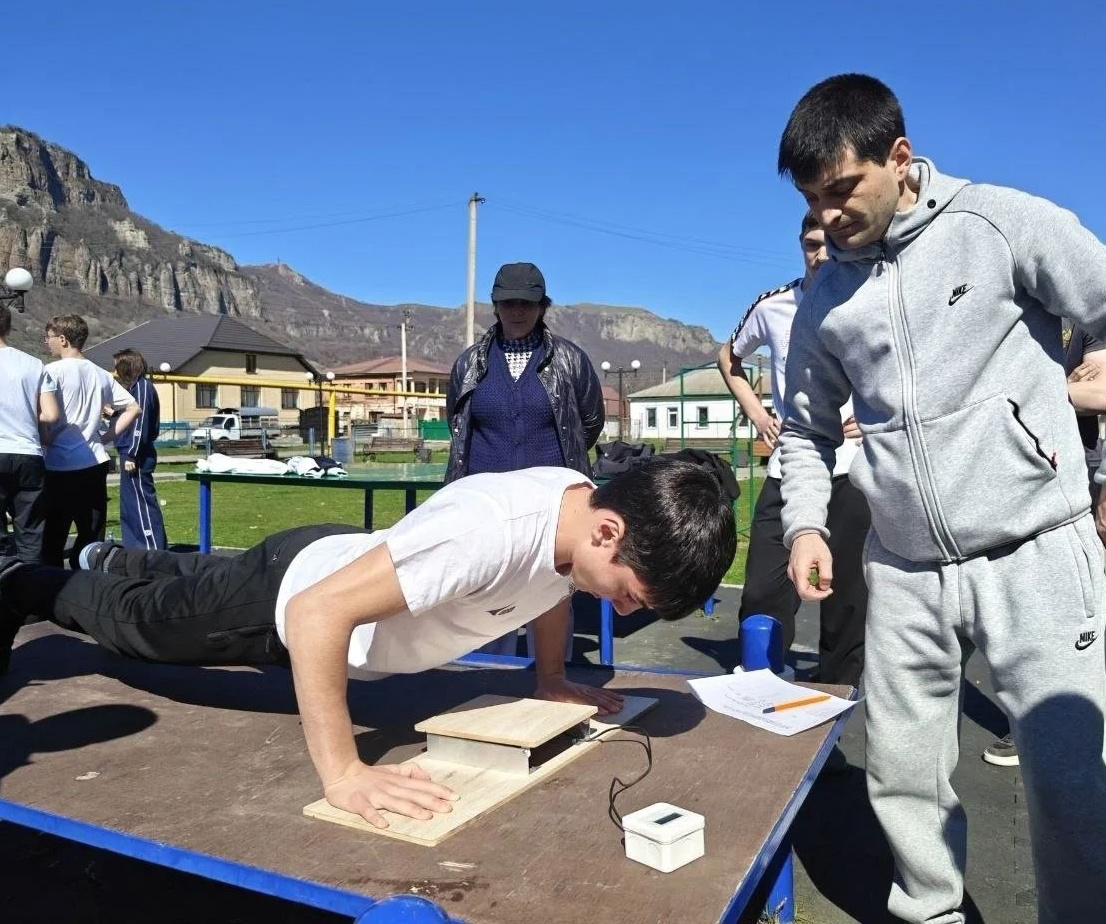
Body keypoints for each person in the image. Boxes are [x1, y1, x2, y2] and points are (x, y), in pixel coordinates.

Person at [776, 73, 1106, 924]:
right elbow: (804, 429)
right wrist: (805, 525)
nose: (828, 214)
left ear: (899, 156)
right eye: (812, 199)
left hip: (1036, 548)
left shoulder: (997, 222)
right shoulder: (824, 300)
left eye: (842, 189)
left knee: (1072, 784)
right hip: (904, 568)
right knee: (902, 777)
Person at [0, 459, 737, 828]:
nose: (621, 608)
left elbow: (554, 586)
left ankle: (117, 558)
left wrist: (549, 677)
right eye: (629, 594)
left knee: (190, 582)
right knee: (138, 627)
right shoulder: (487, 533)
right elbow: (318, 614)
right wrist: (345, 773)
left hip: (334, 554)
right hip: (283, 601)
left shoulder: (581, 508)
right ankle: (29, 579)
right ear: (608, 532)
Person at [717, 212, 868, 687]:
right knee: (762, 589)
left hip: (853, 471)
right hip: (790, 469)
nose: (821, 254)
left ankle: (837, 692)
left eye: (830, 243)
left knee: (847, 599)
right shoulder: (774, 306)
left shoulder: (870, 297)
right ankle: (762, 681)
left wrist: (873, 417)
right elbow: (728, 357)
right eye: (811, 244)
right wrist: (758, 414)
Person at [446, 261, 604, 658]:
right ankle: (489, 678)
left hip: (552, 509)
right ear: (495, 306)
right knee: (488, 602)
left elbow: (589, 422)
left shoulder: (570, 360)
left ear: (542, 306)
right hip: (487, 509)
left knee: (549, 598)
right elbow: (459, 424)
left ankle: (552, 680)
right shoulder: (469, 364)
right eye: (508, 302)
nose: (517, 311)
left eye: (527, 303)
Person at [982, 323, 1106, 767]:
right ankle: (1037, 723)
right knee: (1037, 610)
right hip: (1023, 476)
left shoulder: (1090, 312)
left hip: (1079, 477)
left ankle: (1066, 726)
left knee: (1077, 611)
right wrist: (1060, 385)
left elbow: (1101, 393)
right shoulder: (1017, 311)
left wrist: (1017, 389)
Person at [42, 315, 139, 569]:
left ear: (63, 339)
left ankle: (53, 587)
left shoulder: (50, 372)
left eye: (48, 338)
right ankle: (89, 583)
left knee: (53, 537)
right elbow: (133, 408)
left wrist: (45, 437)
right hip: (93, 461)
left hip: (59, 463)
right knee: (91, 535)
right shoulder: (100, 374)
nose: (46, 343)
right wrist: (104, 437)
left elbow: (42, 414)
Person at [0, 304, 60, 563]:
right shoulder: (34, 364)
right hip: (28, 454)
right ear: (8, 327)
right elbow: (51, 414)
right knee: (31, 533)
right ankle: (31, 582)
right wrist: (23, 413)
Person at [112, 349, 168, 551]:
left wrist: (131, 453)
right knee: (130, 506)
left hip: (137, 456)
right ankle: (135, 547)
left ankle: (152, 549)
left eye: (117, 366)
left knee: (142, 503)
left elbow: (140, 423)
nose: (115, 371)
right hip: (129, 453)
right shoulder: (134, 389)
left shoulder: (143, 388)